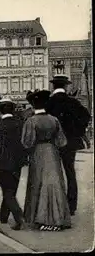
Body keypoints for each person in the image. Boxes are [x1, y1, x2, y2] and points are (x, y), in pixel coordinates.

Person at [22, 90, 71, 231]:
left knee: (38, 182)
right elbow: (62, 141)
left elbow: (27, 142)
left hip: (38, 153)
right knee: (55, 182)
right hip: (53, 153)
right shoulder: (54, 119)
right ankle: (59, 217)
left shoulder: (31, 121)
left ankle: (39, 218)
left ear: (32, 105)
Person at [46, 75, 91, 216]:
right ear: (66, 87)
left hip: (53, 143)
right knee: (70, 172)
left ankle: (55, 205)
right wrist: (77, 131)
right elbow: (86, 117)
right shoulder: (73, 102)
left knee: (53, 173)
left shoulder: (48, 103)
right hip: (70, 142)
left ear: (54, 87)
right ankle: (71, 206)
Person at [0, 99, 27, 230]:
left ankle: (18, 215)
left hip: (3, 162)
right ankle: (3, 216)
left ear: (0, 111)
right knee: (11, 189)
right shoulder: (20, 124)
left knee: (7, 191)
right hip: (17, 162)